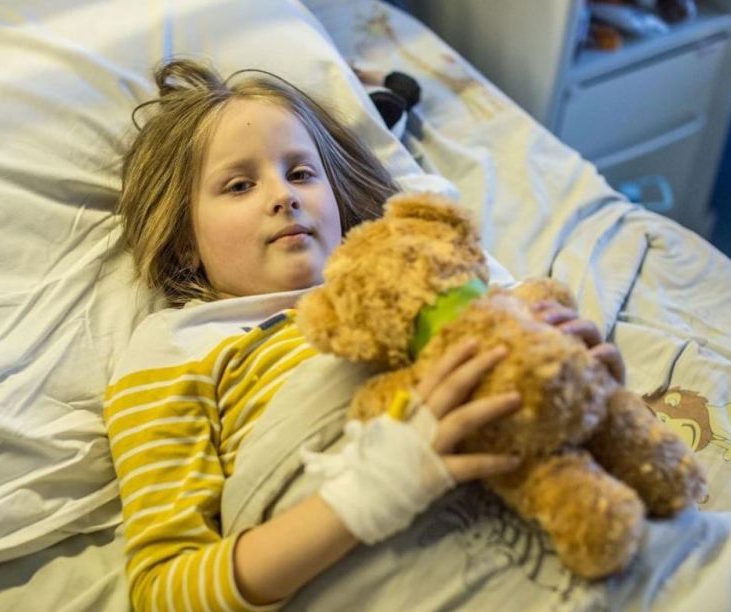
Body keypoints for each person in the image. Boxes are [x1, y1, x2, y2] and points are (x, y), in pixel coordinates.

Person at [105, 58, 624, 611]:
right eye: (239, 185)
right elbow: (163, 590)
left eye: (301, 173)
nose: (283, 196)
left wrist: (589, 385)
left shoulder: (421, 281)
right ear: (186, 241)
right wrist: (380, 487)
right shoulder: (177, 345)